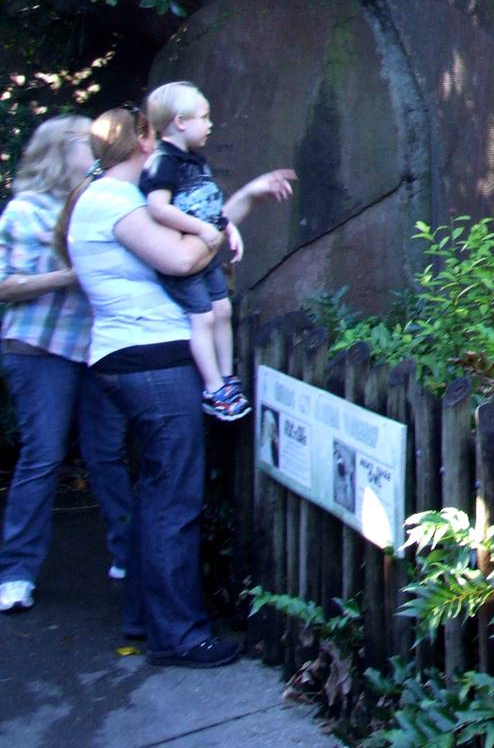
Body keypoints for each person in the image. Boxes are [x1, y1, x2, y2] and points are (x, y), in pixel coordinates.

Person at [63, 105, 293, 666]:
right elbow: (185, 259)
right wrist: (217, 225)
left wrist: (238, 204)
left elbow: (198, 240)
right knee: (173, 500)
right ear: (144, 141)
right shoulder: (116, 202)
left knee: (157, 495)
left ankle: (148, 619)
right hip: (151, 360)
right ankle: (179, 636)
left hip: (140, 358)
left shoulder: (119, 198)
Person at [0, 115, 134, 614]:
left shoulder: (99, 202)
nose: (97, 146)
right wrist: (71, 276)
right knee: (43, 457)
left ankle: (129, 557)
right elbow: (4, 285)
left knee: (107, 453)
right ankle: (16, 572)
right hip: (40, 350)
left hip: (97, 349)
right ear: (59, 149)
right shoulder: (25, 211)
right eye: (86, 139)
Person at [139, 81, 290, 422]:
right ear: (180, 122)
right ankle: (213, 388)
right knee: (203, 318)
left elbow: (209, 206)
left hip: (206, 253)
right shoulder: (162, 161)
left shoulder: (195, 161)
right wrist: (201, 229)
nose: (210, 125)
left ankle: (226, 378)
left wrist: (227, 227)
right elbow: (158, 208)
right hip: (184, 256)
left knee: (223, 310)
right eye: (204, 117)